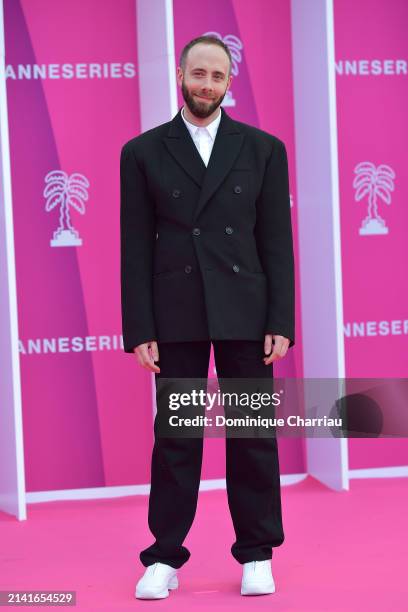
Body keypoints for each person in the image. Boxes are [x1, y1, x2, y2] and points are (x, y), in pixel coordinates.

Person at [120, 35, 295, 599]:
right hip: (177, 313)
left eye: (217, 77)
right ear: (180, 74)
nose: (207, 85)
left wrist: (281, 319)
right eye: (198, 74)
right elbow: (134, 248)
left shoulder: (263, 149)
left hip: (246, 310)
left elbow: (275, 241)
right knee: (177, 437)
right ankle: (164, 557)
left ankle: (257, 553)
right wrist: (141, 328)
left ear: (229, 82)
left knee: (252, 434)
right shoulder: (143, 152)